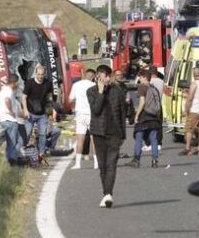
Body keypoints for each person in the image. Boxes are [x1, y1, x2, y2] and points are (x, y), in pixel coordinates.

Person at [87, 65, 127, 208]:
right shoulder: (91, 92)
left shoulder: (117, 91)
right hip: (98, 133)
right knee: (102, 166)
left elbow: (122, 113)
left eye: (109, 76)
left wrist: (123, 134)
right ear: (98, 77)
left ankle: (109, 193)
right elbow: (96, 110)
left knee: (111, 165)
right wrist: (100, 92)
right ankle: (106, 194)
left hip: (114, 133)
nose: (108, 79)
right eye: (105, 76)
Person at [124, 69, 161, 168]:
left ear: (144, 77)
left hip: (144, 116)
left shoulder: (142, 87)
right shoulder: (154, 88)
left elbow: (142, 101)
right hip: (153, 116)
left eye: (140, 77)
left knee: (139, 138)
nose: (139, 79)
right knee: (153, 139)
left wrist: (137, 114)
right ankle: (154, 160)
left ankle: (136, 159)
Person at [23, 64, 56, 156]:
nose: (40, 76)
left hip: (42, 114)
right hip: (30, 112)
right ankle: (21, 150)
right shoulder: (30, 83)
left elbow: (50, 96)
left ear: (44, 74)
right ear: (35, 74)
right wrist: (25, 110)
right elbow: (24, 97)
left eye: (42, 74)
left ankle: (41, 153)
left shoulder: (47, 83)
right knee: (28, 132)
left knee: (42, 134)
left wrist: (52, 110)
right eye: (39, 74)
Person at [69, 68, 97, 169]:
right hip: (92, 114)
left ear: (85, 74)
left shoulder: (76, 85)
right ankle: (96, 163)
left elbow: (70, 99)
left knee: (80, 139)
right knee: (94, 139)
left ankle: (77, 163)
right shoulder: (94, 86)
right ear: (93, 77)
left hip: (80, 114)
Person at [181, 67, 199, 156]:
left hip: (195, 110)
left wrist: (186, 109)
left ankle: (188, 148)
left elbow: (190, 98)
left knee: (189, 129)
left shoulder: (194, 84)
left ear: (194, 74)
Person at [0, 74, 23, 165]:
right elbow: (7, 100)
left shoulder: (2, 90)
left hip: (3, 120)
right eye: (17, 83)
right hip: (10, 120)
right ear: (14, 83)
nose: (17, 85)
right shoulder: (9, 91)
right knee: (14, 143)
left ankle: (11, 159)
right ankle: (11, 160)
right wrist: (11, 111)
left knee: (12, 143)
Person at [148, 65, 165, 151]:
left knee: (150, 125)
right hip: (160, 106)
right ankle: (159, 142)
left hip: (150, 107)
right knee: (159, 125)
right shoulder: (161, 82)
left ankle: (151, 142)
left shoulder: (149, 82)